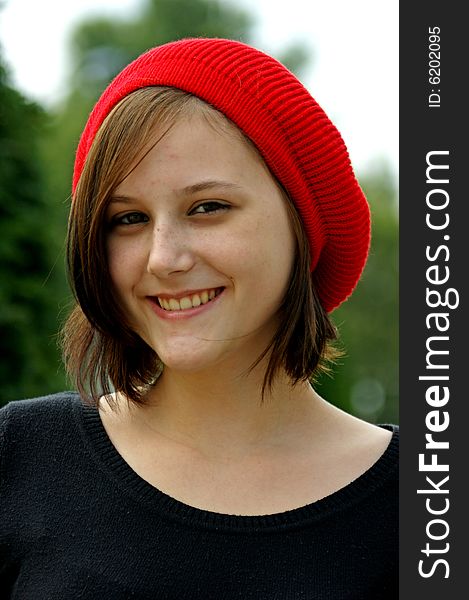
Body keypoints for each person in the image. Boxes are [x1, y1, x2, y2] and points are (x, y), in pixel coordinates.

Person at [0, 38, 398, 598]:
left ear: (302, 222)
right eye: (128, 218)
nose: (164, 257)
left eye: (208, 207)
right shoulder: (20, 457)